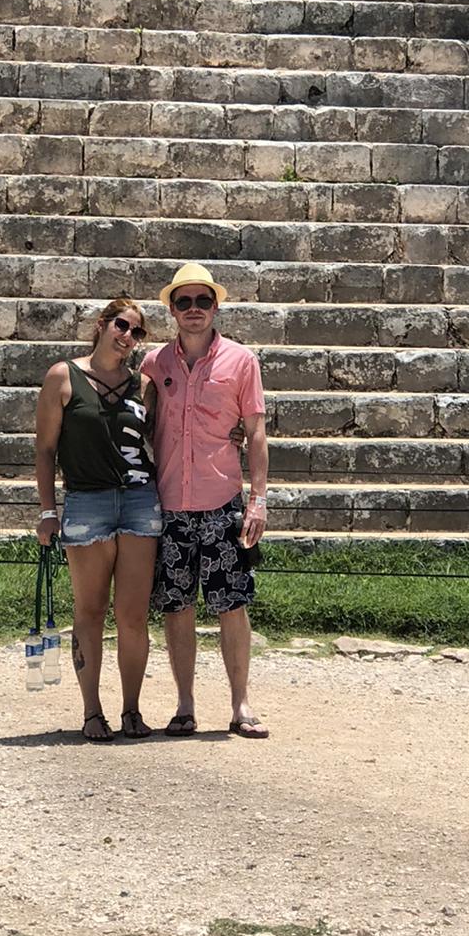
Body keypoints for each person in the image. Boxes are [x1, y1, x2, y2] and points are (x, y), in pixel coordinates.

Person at [141, 262, 270, 739]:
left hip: (221, 502)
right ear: (172, 309)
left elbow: (256, 434)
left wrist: (257, 500)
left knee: (231, 604)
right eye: (183, 301)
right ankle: (185, 704)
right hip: (171, 500)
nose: (193, 310)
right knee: (177, 606)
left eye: (202, 301)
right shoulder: (155, 363)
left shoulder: (242, 361)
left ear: (216, 306)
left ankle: (241, 704)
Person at [33, 297, 161, 742]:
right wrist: (48, 511)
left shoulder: (143, 385)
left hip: (140, 501)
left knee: (133, 614)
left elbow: (164, 439)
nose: (128, 336)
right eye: (123, 326)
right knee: (89, 611)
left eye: (138, 332)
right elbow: (46, 450)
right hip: (87, 502)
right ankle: (92, 711)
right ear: (103, 324)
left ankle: (131, 710)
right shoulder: (62, 376)